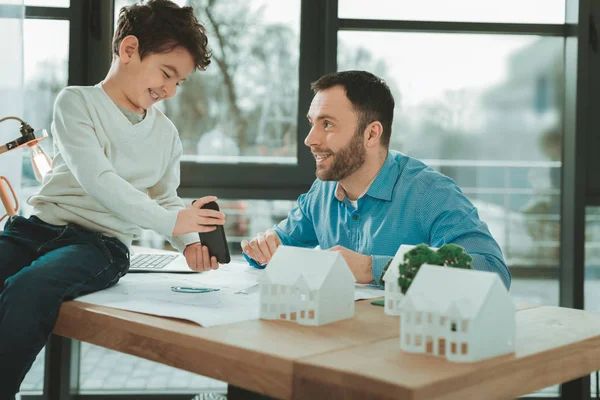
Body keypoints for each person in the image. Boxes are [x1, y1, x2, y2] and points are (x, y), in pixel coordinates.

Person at [0, 1, 224, 397]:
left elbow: (165, 198)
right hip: (34, 230)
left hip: (99, 246)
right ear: (129, 50)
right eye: (167, 73)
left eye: (179, 82)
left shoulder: (166, 135)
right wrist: (173, 223)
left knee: (28, 287)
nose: (170, 90)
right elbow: (97, 179)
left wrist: (189, 243)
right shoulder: (76, 102)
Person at [242, 70, 510, 289]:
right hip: (337, 340)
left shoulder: (431, 193)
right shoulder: (322, 192)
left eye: (328, 125)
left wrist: (372, 268)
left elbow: (492, 273)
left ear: (371, 134)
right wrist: (262, 248)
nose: (310, 139)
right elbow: (279, 243)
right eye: (312, 123)